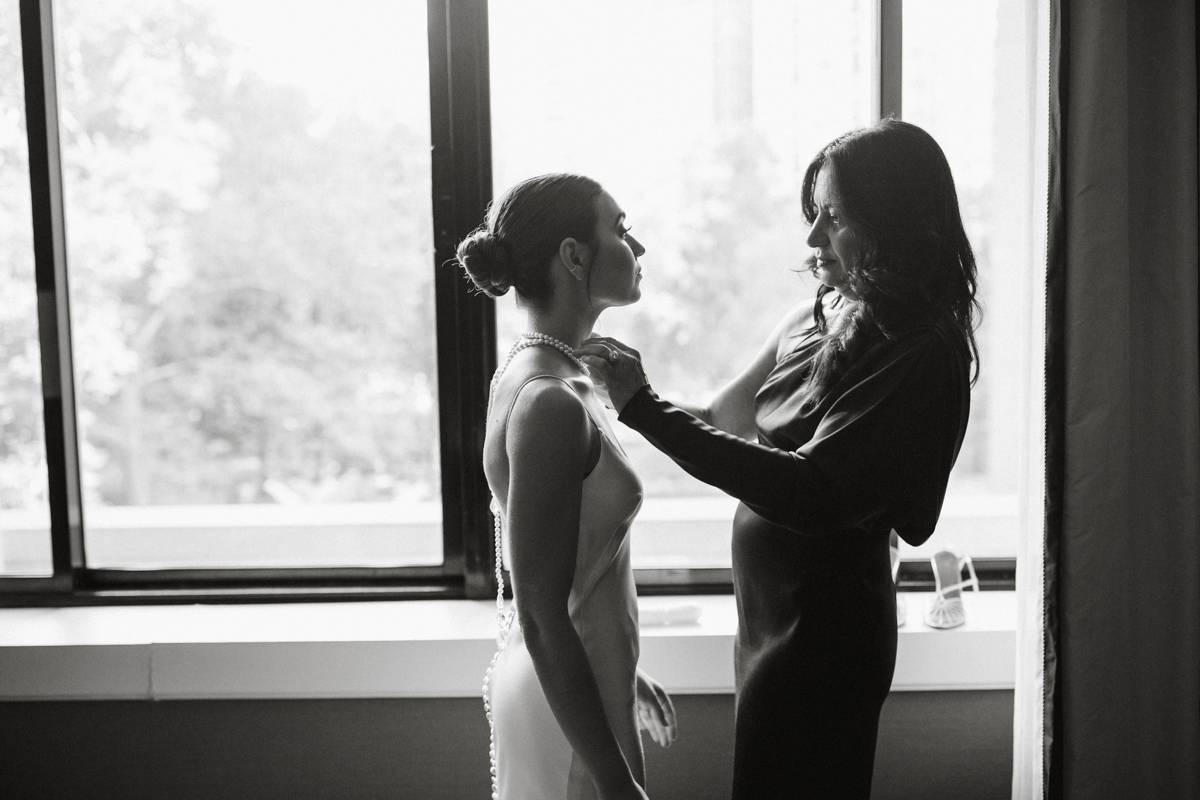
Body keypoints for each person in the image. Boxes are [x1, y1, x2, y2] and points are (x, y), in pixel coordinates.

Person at [578, 119, 978, 799]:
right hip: (767, 621)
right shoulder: (812, 318)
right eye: (813, 213)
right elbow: (720, 421)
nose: (812, 236)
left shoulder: (919, 352)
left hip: (825, 636)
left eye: (834, 217)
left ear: (893, 223)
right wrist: (607, 399)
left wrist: (644, 408)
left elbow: (814, 490)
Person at [456, 173, 677, 800]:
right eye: (622, 229)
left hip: (593, 687)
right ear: (575, 256)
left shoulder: (561, 373)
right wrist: (614, 780)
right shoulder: (548, 401)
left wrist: (623, 670)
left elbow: (578, 561)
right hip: (569, 719)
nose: (638, 248)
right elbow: (540, 609)